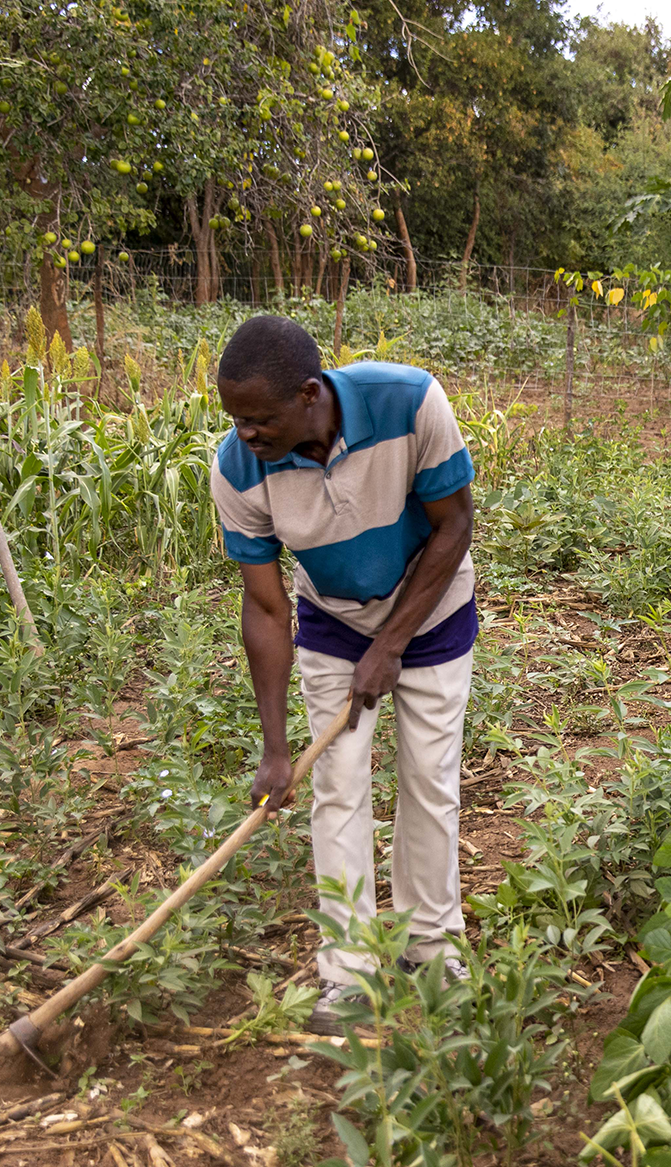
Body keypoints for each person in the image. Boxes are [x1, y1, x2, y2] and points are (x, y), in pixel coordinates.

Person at [210, 314, 477, 1034]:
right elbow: (265, 610)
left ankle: (432, 949)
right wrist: (275, 749)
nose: (246, 434)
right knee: (338, 786)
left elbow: (455, 526)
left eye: (258, 419)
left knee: (429, 779)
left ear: (308, 394)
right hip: (332, 620)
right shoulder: (238, 468)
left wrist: (391, 643)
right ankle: (350, 971)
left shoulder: (411, 402)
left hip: (433, 608)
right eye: (234, 418)